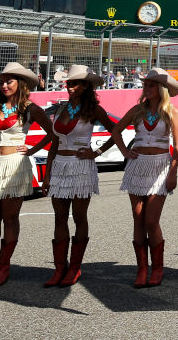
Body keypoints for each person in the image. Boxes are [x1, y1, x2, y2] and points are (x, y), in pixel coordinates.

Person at [42, 64, 127, 287]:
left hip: (81, 167)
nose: (70, 87)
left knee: (79, 217)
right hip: (59, 165)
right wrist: (47, 174)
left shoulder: (94, 110)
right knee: (59, 218)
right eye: (68, 83)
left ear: (86, 86)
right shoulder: (60, 110)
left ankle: (74, 268)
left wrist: (96, 152)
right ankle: (59, 268)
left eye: (75, 83)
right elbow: (54, 143)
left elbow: (117, 131)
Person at [0, 63, 54, 287]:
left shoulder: (30, 109)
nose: (4, 85)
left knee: (9, 217)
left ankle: (3, 267)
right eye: (2, 82)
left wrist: (33, 149)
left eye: (9, 81)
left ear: (21, 84)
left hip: (14, 166)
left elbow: (53, 134)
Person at [116, 68, 178, 288]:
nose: (146, 88)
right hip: (137, 166)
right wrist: (126, 153)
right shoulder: (137, 110)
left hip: (160, 167)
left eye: (151, 85)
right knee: (138, 219)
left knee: (151, 220)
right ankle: (142, 269)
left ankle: (158, 268)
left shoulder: (172, 112)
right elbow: (116, 131)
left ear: (161, 89)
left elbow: (177, 146)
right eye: (145, 84)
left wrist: (173, 171)